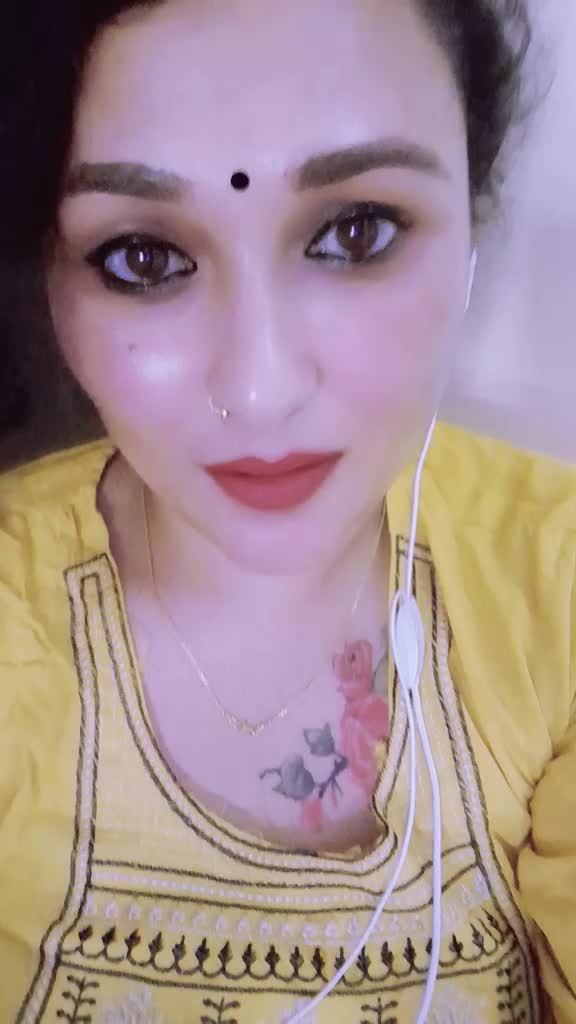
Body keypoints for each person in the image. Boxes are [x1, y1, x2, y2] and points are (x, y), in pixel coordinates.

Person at [0, 1, 574, 1021]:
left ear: (470, 239)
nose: (260, 390)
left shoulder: (558, 585)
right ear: (49, 282)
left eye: (356, 232)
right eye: (143, 257)